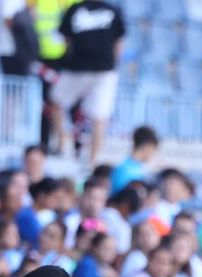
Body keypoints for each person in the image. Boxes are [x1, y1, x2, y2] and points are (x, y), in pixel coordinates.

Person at [52, 0, 125, 168]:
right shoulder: (77, 9)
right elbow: (67, 37)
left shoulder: (111, 10)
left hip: (98, 71)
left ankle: (93, 160)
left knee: (99, 117)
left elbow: (119, 41)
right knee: (57, 101)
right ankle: (65, 146)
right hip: (81, 69)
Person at [109, 125, 157, 192]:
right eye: (153, 150)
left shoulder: (133, 168)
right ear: (148, 146)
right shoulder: (126, 170)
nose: (152, 155)